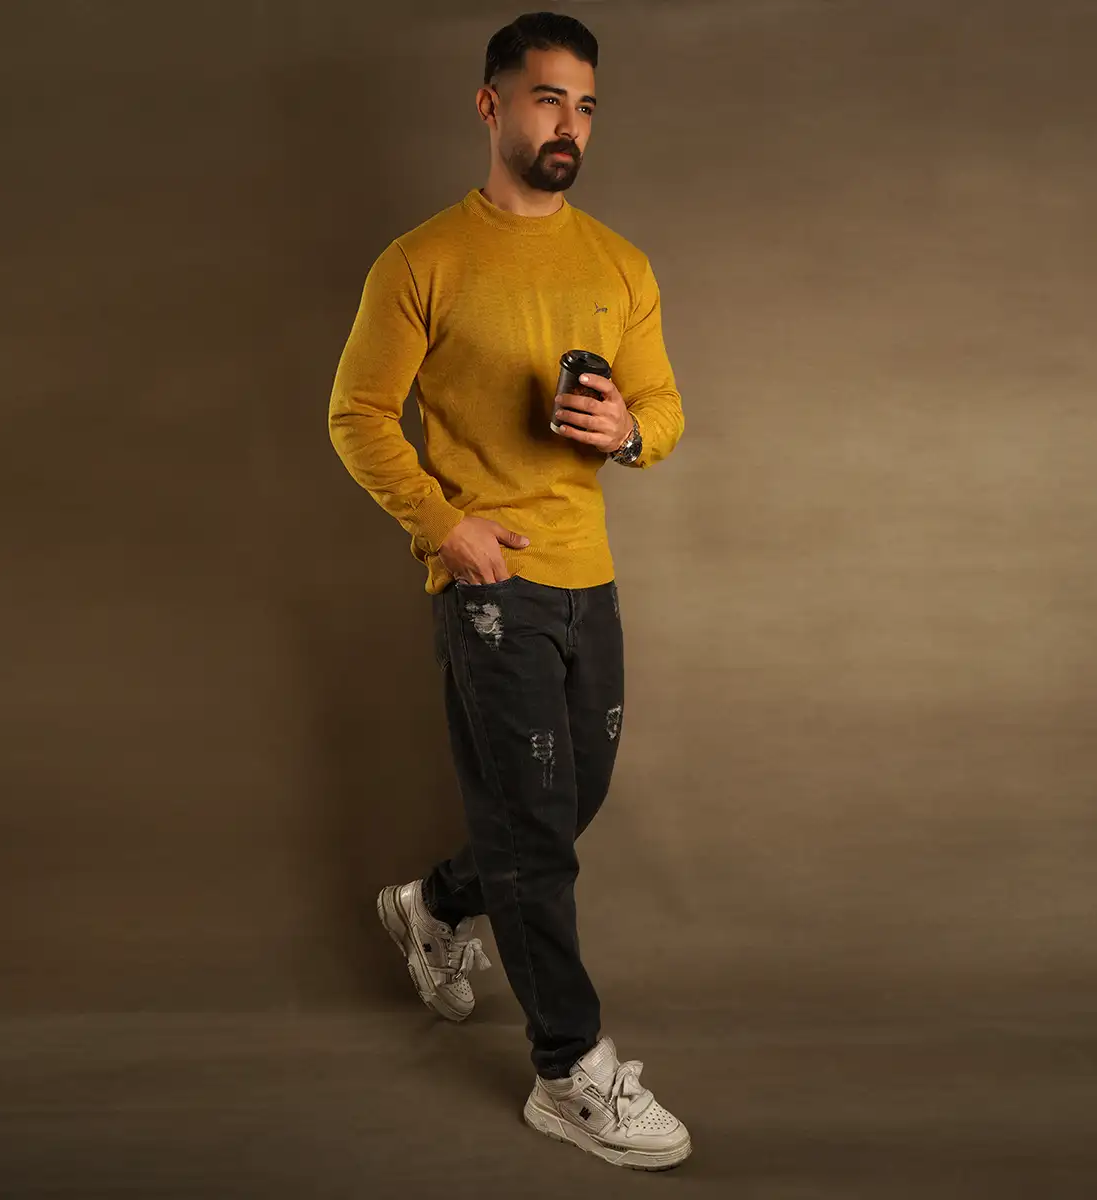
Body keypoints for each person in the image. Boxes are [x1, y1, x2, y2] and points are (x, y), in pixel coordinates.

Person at [328, 11, 689, 1171]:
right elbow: (356, 414)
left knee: (566, 804)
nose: (568, 124)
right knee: (535, 831)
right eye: (547, 99)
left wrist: (626, 431)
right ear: (492, 107)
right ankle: (568, 1070)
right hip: (489, 586)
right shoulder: (421, 261)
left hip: (591, 578)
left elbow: (665, 413)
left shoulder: (620, 263)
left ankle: (435, 906)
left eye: (585, 105)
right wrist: (445, 526)